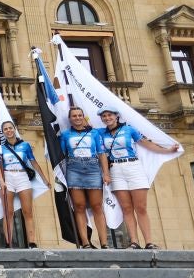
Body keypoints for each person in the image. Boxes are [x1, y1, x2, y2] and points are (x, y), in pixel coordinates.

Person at [98, 107, 178, 250]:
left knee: (140, 207)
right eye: (104, 116)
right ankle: (134, 242)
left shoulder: (129, 129)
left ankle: (148, 242)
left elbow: (146, 143)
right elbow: (98, 148)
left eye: (109, 115)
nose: (107, 118)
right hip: (115, 170)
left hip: (133, 166)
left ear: (116, 116)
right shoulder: (100, 133)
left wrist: (167, 151)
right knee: (126, 208)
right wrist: (106, 173)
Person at [60, 107, 110, 249]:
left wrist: (105, 173)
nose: (77, 118)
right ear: (70, 118)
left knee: (97, 206)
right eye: (74, 116)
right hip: (74, 169)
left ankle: (104, 242)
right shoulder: (65, 135)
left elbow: (101, 153)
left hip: (93, 169)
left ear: (84, 117)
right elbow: (62, 156)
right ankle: (85, 242)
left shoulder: (94, 133)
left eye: (80, 115)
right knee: (79, 206)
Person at [0, 121, 49, 249]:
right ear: (3, 133)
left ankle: (32, 241)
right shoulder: (1, 148)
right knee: (8, 212)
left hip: (22, 177)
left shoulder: (25, 145)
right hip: (8, 177)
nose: (8, 131)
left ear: (14, 129)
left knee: (27, 211)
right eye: (5, 129)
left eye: (10, 128)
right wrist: (2, 181)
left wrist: (44, 179)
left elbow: (34, 162)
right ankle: (8, 242)